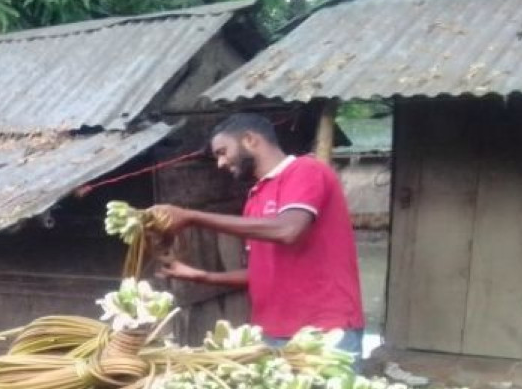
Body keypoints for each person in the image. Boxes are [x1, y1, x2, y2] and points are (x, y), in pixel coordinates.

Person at [149, 113, 365, 361]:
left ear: (250, 140)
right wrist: (202, 276)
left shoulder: (305, 170)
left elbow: (288, 230)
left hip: (325, 330)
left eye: (222, 151)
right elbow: (258, 272)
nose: (220, 163)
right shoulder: (256, 197)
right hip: (273, 332)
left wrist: (191, 217)